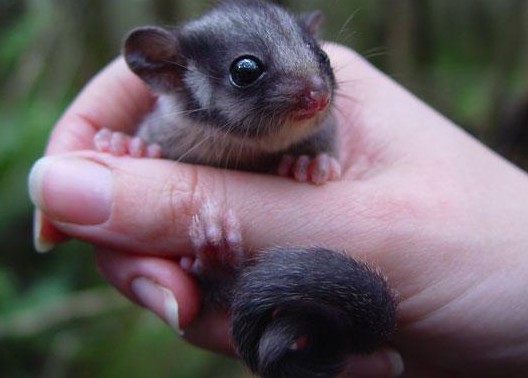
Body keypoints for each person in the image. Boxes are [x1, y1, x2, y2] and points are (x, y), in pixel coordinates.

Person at [28, 43, 528, 377]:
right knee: (199, 268)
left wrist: (316, 162)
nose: (316, 92)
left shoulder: (319, 136)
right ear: (172, 76)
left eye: (318, 61)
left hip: (335, 306)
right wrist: (125, 149)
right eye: (249, 71)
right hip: (254, 294)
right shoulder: (166, 128)